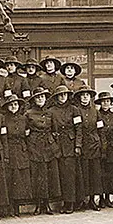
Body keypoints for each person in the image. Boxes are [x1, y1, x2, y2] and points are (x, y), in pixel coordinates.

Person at [25, 87, 60, 215]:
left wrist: (53, 145)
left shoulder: (50, 113)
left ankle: (47, 205)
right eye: (38, 97)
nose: (40, 99)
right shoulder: (28, 114)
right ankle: (39, 205)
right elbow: (26, 132)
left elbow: (54, 130)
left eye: (42, 97)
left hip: (48, 147)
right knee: (38, 176)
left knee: (48, 176)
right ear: (34, 100)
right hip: (35, 146)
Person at [49, 85, 83, 214]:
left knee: (70, 176)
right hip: (57, 146)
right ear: (56, 97)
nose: (63, 97)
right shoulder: (51, 111)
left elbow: (79, 129)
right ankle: (63, 201)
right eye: (60, 95)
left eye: (65, 95)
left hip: (71, 145)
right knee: (61, 176)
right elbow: (50, 129)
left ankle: (71, 202)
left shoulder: (74, 110)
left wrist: (78, 145)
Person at [1, 94, 32, 216]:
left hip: (22, 149)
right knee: (12, 176)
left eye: (15, 104)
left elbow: (27, 134)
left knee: (21, 177)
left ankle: (19, 205)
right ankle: (11, 206)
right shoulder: (4, 119)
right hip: (10, 148)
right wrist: (6, 153)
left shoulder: (24, 119)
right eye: (11, 105)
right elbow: (4, 137)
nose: (13, 107)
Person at [73, 85, 103, 211]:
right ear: (79, 97)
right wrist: (78, 145)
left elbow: (100, 129)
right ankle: (84, 200)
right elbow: (77, 129)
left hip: (94, 145)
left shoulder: (95, 111)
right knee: (84, 174)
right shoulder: (76, 111)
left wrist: (101, 144)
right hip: (83, 145)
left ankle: (92, 200)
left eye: (87, 95)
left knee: (94, 174)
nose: (85, 97)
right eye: (83, 95)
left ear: (90, 97)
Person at [94, 91, 113, 208]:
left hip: (112, 148)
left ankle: (107, 197)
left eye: (108, 101)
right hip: (100, 148)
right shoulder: (97, 115)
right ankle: (100, 198)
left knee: (111, 174)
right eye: (103, 101)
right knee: (101, 174)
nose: (105, 103)